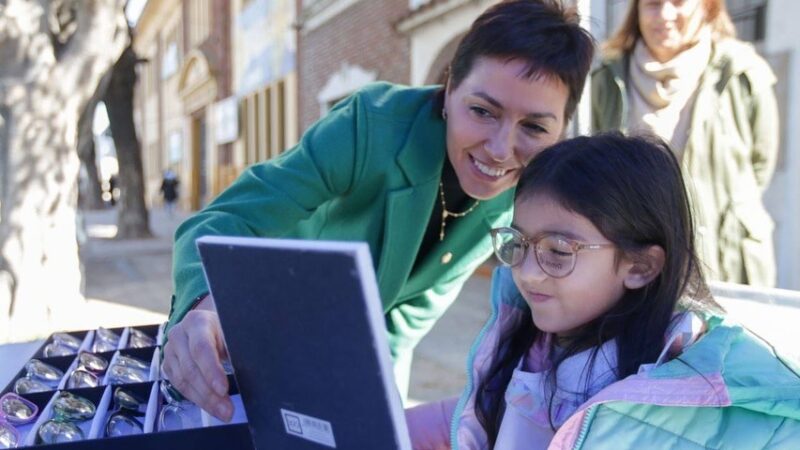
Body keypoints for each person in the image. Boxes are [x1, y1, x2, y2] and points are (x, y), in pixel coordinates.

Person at [161, 0, 595, 422]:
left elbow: (408, 314)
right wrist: (205, 306)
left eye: (535, 127)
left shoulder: (532, 190)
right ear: (448, 93)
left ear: (562, 129)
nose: (501, 150)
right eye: (482, 111)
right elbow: (226, 218)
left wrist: (374, 406)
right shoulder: (370, 124)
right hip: (253, 326)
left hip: (354, 352)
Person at [405, 133, 800, 449]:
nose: (526, 273)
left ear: (641, 266)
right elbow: (466, 419)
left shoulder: (713, 403)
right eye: (518, 243)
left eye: (558, 252)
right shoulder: (531, 344)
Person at [592, 0, 780, 286]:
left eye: (678, 2)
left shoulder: (742, 72)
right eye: (653, 4)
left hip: (725, 263)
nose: (664, 15)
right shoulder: (607, 78)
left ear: (707, 6)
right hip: (636, 270)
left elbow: (760, 166)